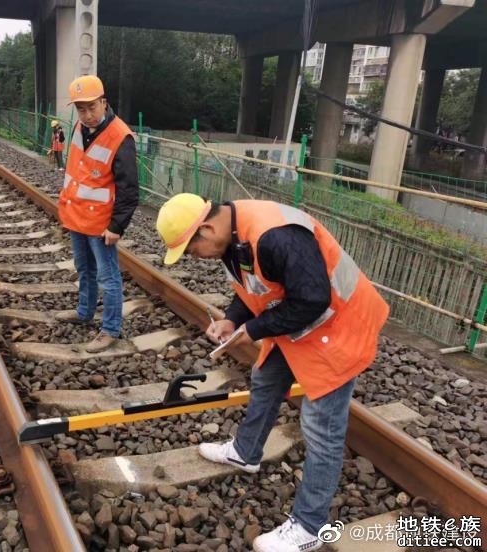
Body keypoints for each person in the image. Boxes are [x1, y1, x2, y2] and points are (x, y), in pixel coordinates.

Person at [155, 193, 389, 552]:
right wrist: (233, 320)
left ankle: (309, 527)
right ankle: (245, 452)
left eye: (191, 250)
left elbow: (313, 299)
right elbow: (253, 290)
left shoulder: (275, 236)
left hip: (340, 325)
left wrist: (255, 330)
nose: (194, 258)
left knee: (321, 428)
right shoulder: (232, 239)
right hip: (300, 322)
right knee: (266, 379)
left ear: (206, 228)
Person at [56, 75, 139, 353]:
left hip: (102, 222)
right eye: (81, 109)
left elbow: (129, 191)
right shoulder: (80, 127)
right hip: (78, 216)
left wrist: (117, 226)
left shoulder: (120, 137)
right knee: (84, 269)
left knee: (108, 277)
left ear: (104, 102)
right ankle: (84, 311)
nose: (87, 114)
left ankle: (111, 329)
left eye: (92, 107)